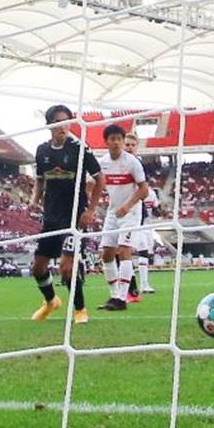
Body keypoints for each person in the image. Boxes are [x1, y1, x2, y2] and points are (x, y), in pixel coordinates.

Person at [29, 105, 104, 324]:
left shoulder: (79, 148)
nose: (63, 126)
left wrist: (90, 210)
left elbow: (100, 178)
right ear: (49, 125)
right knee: (38, 267)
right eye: (58, 122)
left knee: (66, 265)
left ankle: (80, 309)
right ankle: (51, 301)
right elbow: (41, 179)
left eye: (67, 121)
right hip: (51, 217)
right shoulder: (42, 150)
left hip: (74, 216)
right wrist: (34, 200)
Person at [95, 125, 149, 311]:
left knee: (124, 251)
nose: (117, 142)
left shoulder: (132, 162)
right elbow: (92, 183)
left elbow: (144, 189)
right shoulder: (102, 163)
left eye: (119, 139)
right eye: (113, 139)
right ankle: (114, 295)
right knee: (107, 253)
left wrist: (127, 206)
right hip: (113, 212)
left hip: (131, 212)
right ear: (107, 142)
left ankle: (122, 298)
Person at [123, 132, 157, 300]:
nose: (129, 147)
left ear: (136, 146)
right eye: (127, 144)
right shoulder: (118, 163)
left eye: (132, 145)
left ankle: (142, 284)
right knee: (122, 250)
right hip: (123, 213)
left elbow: (143, 190)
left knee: (143, 248)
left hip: (138, 213)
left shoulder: (139, 164)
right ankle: (127, 287)